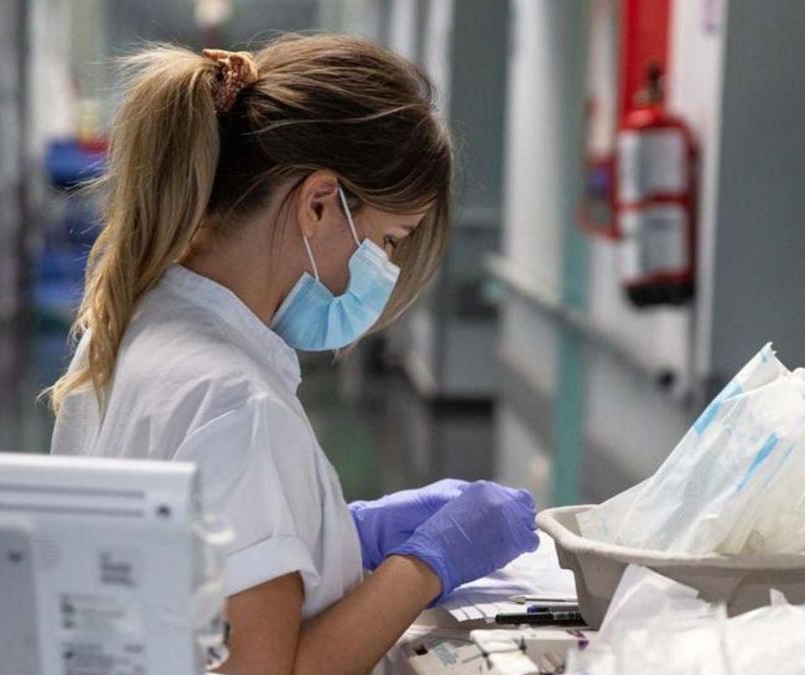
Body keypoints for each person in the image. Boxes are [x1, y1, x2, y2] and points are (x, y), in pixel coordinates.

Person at [48, 35, 539, 675]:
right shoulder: (235, 400)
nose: (386, 267)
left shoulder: (127, 326)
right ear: (316, 204)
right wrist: (423, 566)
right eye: (389, 241)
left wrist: (327, 536)